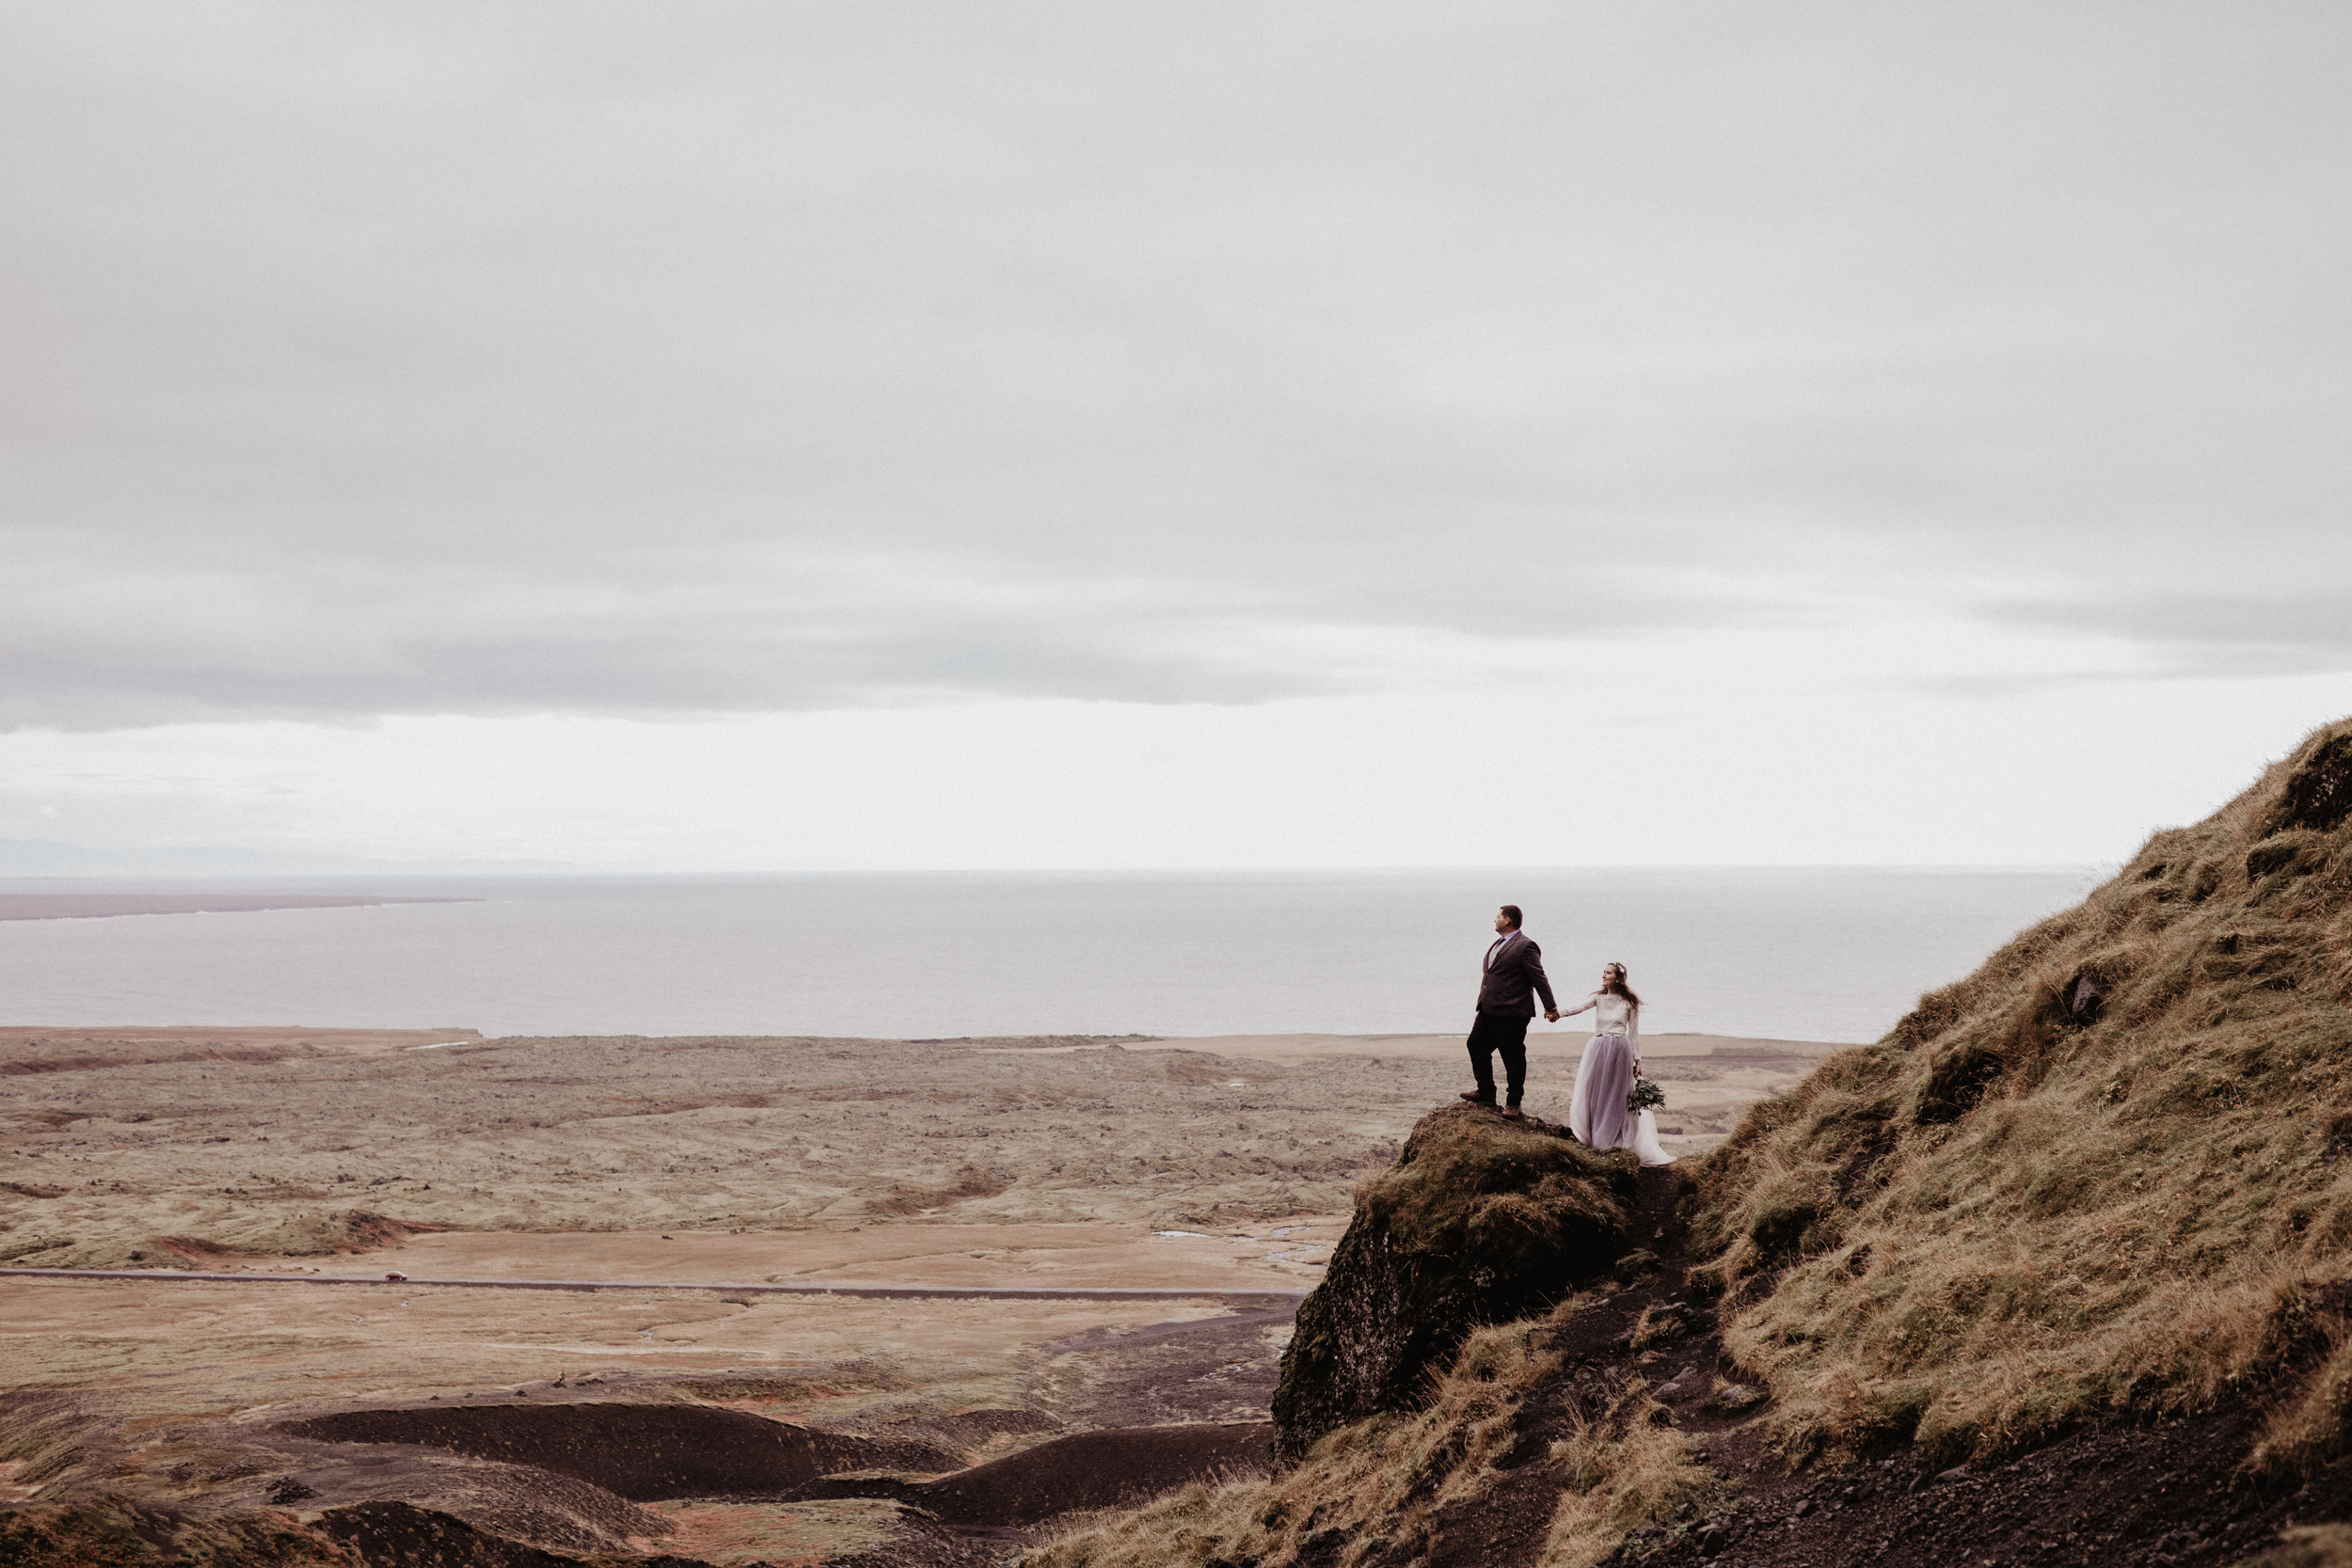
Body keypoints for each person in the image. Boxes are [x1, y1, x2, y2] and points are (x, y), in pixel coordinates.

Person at [1561, 962, 1673, 1165]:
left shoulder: (1629, 1002)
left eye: (1608, 973)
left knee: (1618, 1095)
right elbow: (1580, 1007)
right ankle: (1595, 1136)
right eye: (1603, 972)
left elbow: (1633, 1033)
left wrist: (1638, 1060)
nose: (1603, 975)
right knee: (1596, 1092)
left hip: (1621, 1049)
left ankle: (1615, 1139)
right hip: (1599, 1047)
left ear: (1618, 978)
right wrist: (1558, 1013)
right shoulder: (1598, 997)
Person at [1458, 905, 1557, 1119]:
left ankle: (1513, 1102)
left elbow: (1539, 978)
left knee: (1512, 1058)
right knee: (1475, 1045)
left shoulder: (1526, 946)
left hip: (1512, 1013)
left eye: (1497, 917)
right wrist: (1480, 1006)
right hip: (1488, 1011)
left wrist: (1550, 1007)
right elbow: (1489, 979)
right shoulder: (1496, 945)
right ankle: (1486, 1092)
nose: (1494, 920)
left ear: (1508, 920)